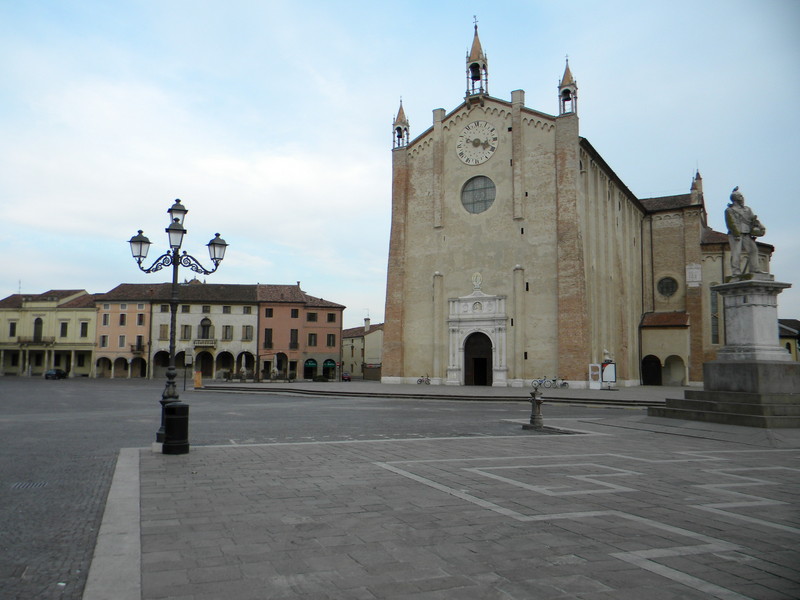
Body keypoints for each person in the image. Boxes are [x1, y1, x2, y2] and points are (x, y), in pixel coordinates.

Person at [725, 186, 765, 276]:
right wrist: (736, 233)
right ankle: (736, 272)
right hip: (736, 235)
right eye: (740, 196)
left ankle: (755, 269)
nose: (742, 198)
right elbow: (730, 223)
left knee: (753, 250)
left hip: (747, 233)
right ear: (735, 199)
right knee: (736, 253)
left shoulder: (747, 209)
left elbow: (754, 220)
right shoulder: (730, 210)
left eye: (742, 196)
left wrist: (760, 228)